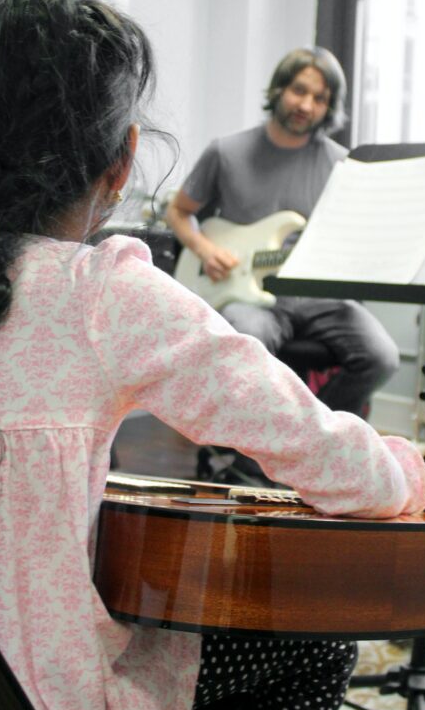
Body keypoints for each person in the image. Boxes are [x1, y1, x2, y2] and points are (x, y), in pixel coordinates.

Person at [0, 0, 425, 710]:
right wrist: (406, 474)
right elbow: (334, 459)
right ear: (121, 161)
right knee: (324, 638)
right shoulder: (105, 294)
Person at [166, 47, 400, 429]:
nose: (306, 104)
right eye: (298, 90)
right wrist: (204, 249)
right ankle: (252, 460)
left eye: (319, 98)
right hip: (247, 297)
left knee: (381, 357)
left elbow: (351, 240)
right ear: (278, 90)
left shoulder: (343, 166)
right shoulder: (226, 151)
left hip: (319, 298)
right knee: (248, 339)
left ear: (329, 107)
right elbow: (179, 211)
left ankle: (313, 437)